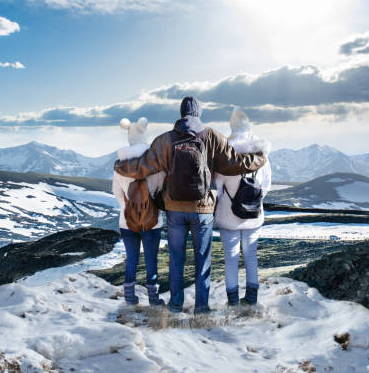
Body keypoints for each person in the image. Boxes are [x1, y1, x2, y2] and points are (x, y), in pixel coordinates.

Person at [114, 97, 267, 314]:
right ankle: (202, 308)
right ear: (199, 113)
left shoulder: (165, 139)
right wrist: (260, 157)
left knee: (176, 258)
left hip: (175, 209)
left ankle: (176, 305)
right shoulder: (212, 135)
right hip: (202, 209)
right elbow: (235, 163)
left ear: (180, 113)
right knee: (202, 259)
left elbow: (142, 167)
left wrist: (120, 165)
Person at [214, 107, 272, 306]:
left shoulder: (224, 153)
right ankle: (251, 299)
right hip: (254, 215)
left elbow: (217, 187)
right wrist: (252, 200)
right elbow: (266, 186)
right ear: (248, 125)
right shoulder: (261, 153)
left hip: (228, 217)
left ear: (231, 125)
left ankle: (232, 302)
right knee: (251, 257)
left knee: (231, 259)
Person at [112, 117, 165, 306]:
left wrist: (127, 207)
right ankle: (153, 298)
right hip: (153, 221)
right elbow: (161, 189)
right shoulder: (155, 163)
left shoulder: (120, 164)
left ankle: (129, 297)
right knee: (151, 259)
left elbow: (116, 192)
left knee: (131, 259)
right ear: (144, 135)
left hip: (127, 221)